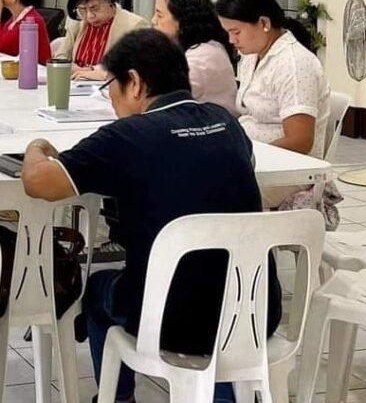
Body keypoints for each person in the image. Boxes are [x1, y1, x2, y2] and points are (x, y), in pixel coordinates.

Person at [20, 29, 281, 403]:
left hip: (173, 322)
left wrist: (36, 147)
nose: (110, 97)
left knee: (97, 290)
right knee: (213, 292)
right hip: (257, 312)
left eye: (111, 84)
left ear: (136, 82)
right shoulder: (226, 123)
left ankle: (117, 398)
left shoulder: (126, 137)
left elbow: (37, 182)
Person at [216, 0, 333, 214]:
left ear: (264, 23)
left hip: (285, 171)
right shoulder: (253, 55)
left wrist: (246, 157)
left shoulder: (294, 63)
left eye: (236, 32)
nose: (231, 40)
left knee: (205, 188)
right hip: (255, 158)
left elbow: (300, 140)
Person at [151, 0, 238, 115]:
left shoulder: (204, 56)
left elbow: (156, 99)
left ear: (182, 19)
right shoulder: (183, 46)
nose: (153, 21)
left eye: (159, 15)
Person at [56, 0, 148, 80]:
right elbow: (60, 59)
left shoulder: (133, 26)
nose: (89, 16)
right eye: (82, 9)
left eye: (94, 8)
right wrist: (70, 68)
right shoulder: (76, 21)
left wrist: (95, 72)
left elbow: (135, 71)